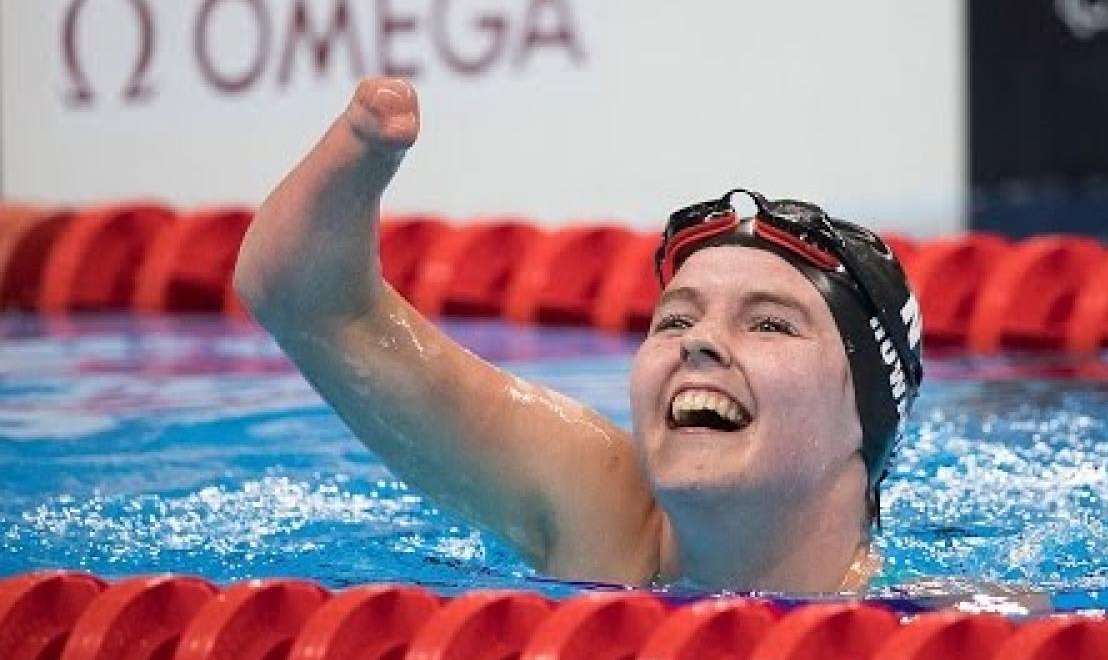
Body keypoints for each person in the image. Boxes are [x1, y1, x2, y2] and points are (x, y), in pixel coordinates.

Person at [234, 77, 923, 594]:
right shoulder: (598, 512)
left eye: (769, 322)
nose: (699, 342)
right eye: (676, 317)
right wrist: (361, 148)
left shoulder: (945, 624)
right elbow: (309, 303)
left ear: (866, 413)